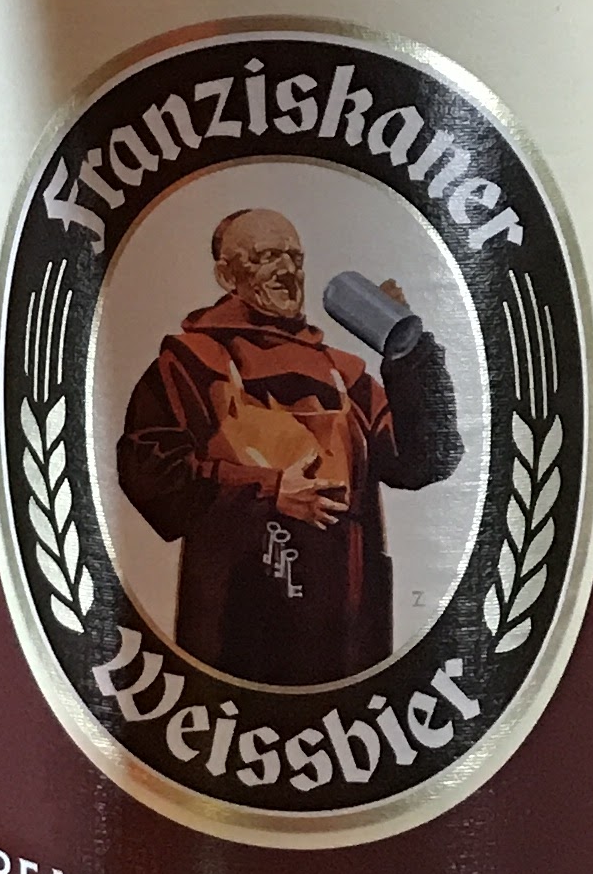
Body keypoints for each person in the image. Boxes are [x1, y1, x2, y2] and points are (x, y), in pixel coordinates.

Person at [114, 204, 459, 683]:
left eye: (295, 258)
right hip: (237, 628)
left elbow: (426, 460)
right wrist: (270, 491)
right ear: (226, 275)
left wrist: (410, 356)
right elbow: (149, 473)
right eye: (266, 257)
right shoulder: (190, 362)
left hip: (348, 632)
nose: (286, 270)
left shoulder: (345, 372)